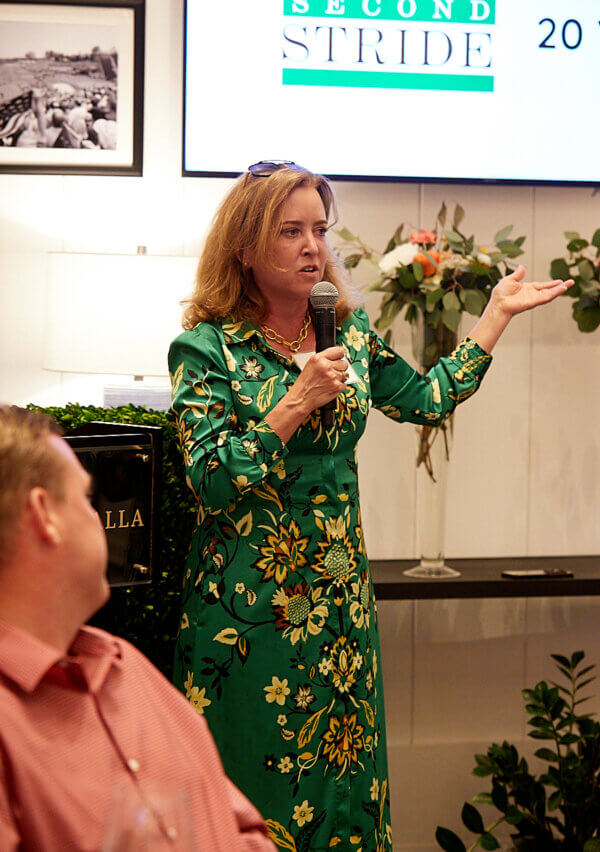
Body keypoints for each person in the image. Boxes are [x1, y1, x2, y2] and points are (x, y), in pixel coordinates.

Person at [168, 161, 573, 850]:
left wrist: (494, 316)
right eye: (289, 231)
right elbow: (208, 479)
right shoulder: (207, 349)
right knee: (251, 798)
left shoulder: (347, 334)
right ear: (243, 247)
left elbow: (426, 400)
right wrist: (293, 405)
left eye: (319, 230)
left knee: (342, 796)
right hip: (248, 616)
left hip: (339, 606)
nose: (312, 247)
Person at [0, 405, 276, 851]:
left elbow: (245, 831)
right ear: (43, 514)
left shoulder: (130, 671)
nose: (100, 518)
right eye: (87, 498)